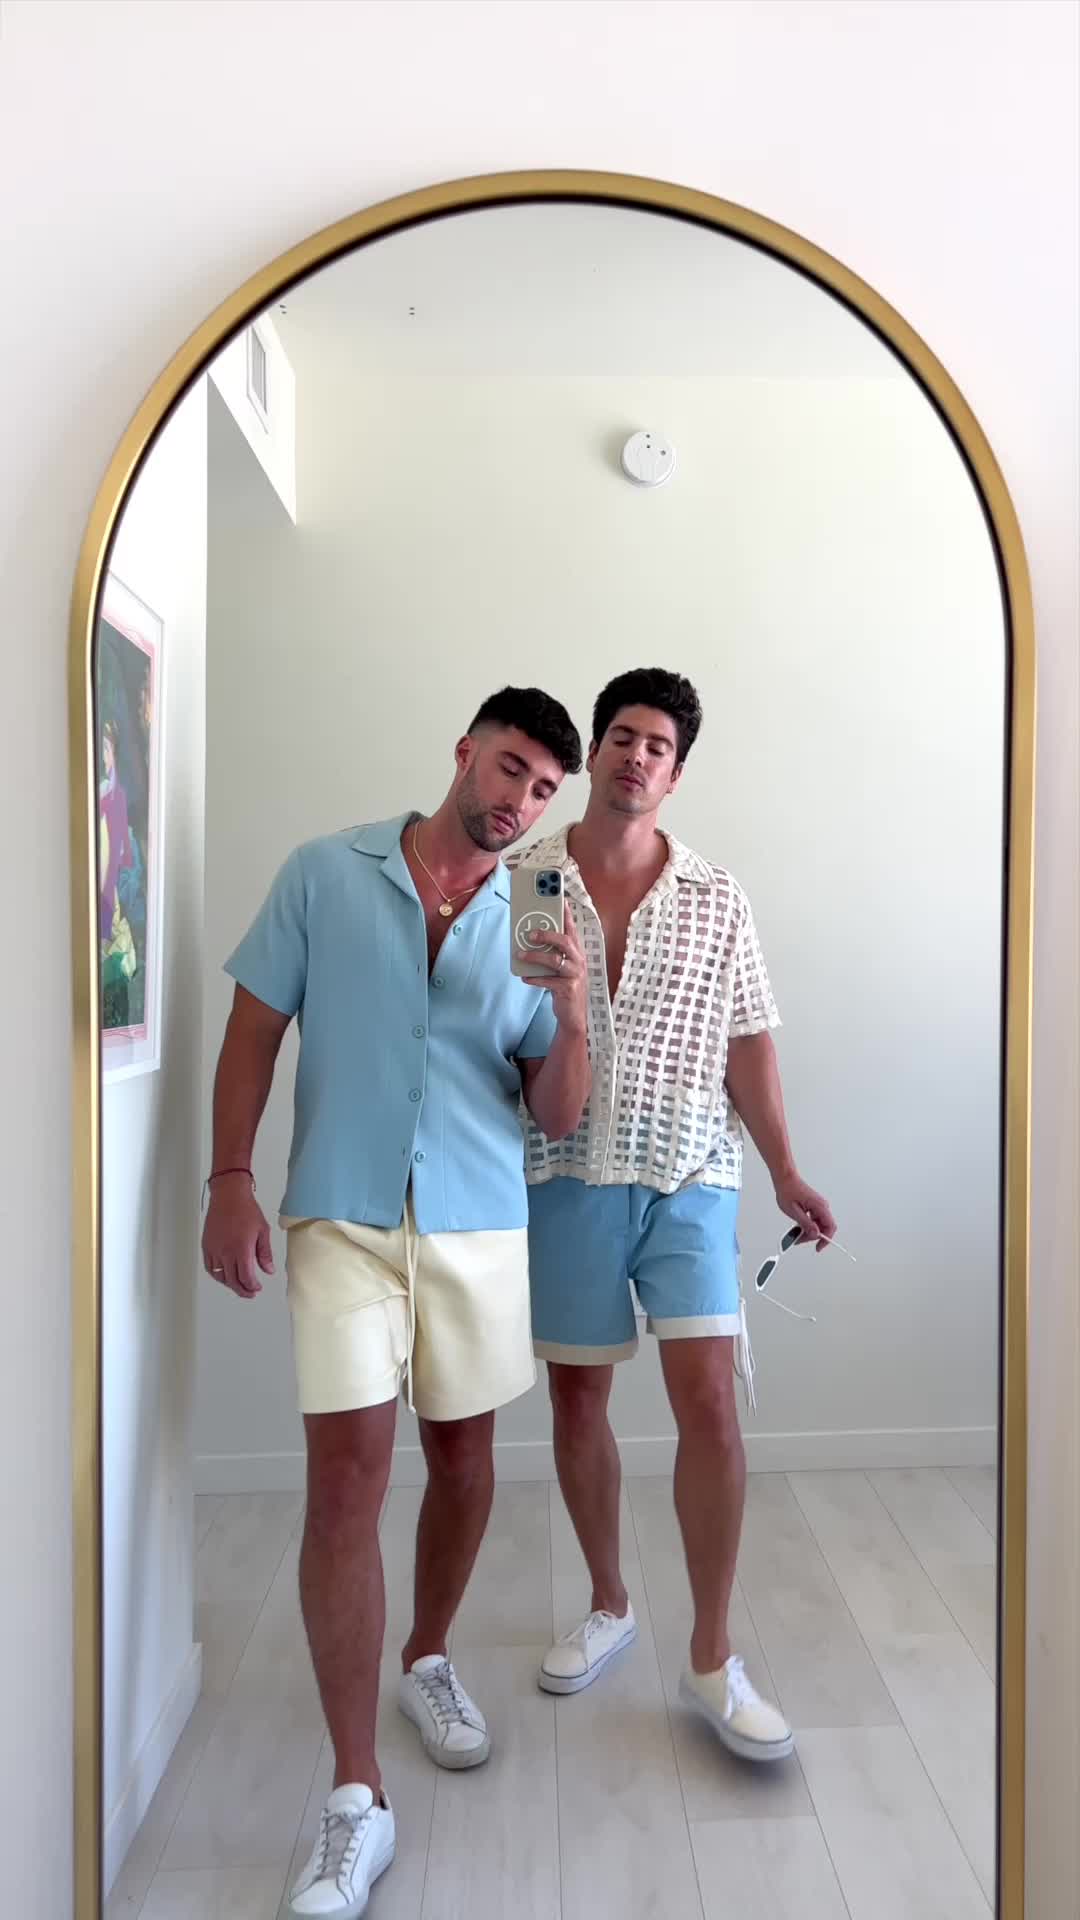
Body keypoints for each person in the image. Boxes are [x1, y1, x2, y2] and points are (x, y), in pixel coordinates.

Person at [201, 687, 590, 1919]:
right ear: (466, 752)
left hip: (477, 1223)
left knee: (465, 1462)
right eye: (511, 768)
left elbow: (557, 1109)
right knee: (345, 1483)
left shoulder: (540, 912)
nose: (520, 800)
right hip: (342, 1217)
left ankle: (426, 1653)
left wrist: (575, 1004)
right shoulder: (326, 873)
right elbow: (254, 1033)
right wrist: (229, 1180)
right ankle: (355, 1794)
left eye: (544, 790)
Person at [514, 667, 837, 1762]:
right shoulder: (528, 879)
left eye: (657, 745)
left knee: (711, 1405)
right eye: (622, 736)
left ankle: (710, 1655)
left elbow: (749, 1039)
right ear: (595, 751)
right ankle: (609, 1601)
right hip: (562, 1171)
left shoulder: (716, 895)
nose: (636, 756)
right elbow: (497, 1036)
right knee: (578, 1398)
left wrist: (785, 1170)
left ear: (676, 774)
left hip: (693, 1174)